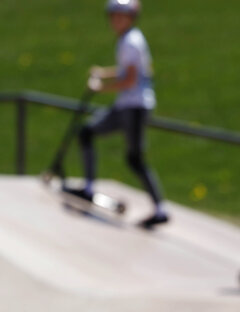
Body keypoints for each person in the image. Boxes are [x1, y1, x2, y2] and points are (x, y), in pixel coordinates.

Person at [71, 0, 169, 229]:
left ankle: (160, 209)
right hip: (126, 106)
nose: (116, 21)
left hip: (134, 107)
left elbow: (130, 79)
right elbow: (128, 70)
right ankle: (87, 187)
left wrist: (100, 87)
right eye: (113, 16)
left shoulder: (131, 42)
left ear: (131, 17)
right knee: (86, 132)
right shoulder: (128, 40)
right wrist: (104, 73)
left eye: (121, 16)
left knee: (135, 158)